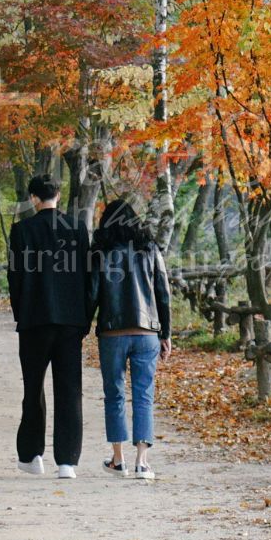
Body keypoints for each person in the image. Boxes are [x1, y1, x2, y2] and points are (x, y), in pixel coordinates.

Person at [6, 174, 92, 477]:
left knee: (33, 388)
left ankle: (32, 456)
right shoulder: (77, 229)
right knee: (70, 390)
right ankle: (67, 461)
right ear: (58, 195)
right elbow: (87, 276)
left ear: (33, 198)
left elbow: (14, 278)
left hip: (34, 320)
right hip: (71, 321)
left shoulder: (22, 230)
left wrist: (21, 313)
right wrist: (85, 318)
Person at [91, 194, 171, 479]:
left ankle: (118, 460)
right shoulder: (150, 248)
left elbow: (92, 293)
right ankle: (142, 463)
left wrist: (82, 326)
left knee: (113, 394)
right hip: (146, 332)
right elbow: (163, 293)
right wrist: (166, 333)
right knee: (143, 395)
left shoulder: (101, 250)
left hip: (112, 332)